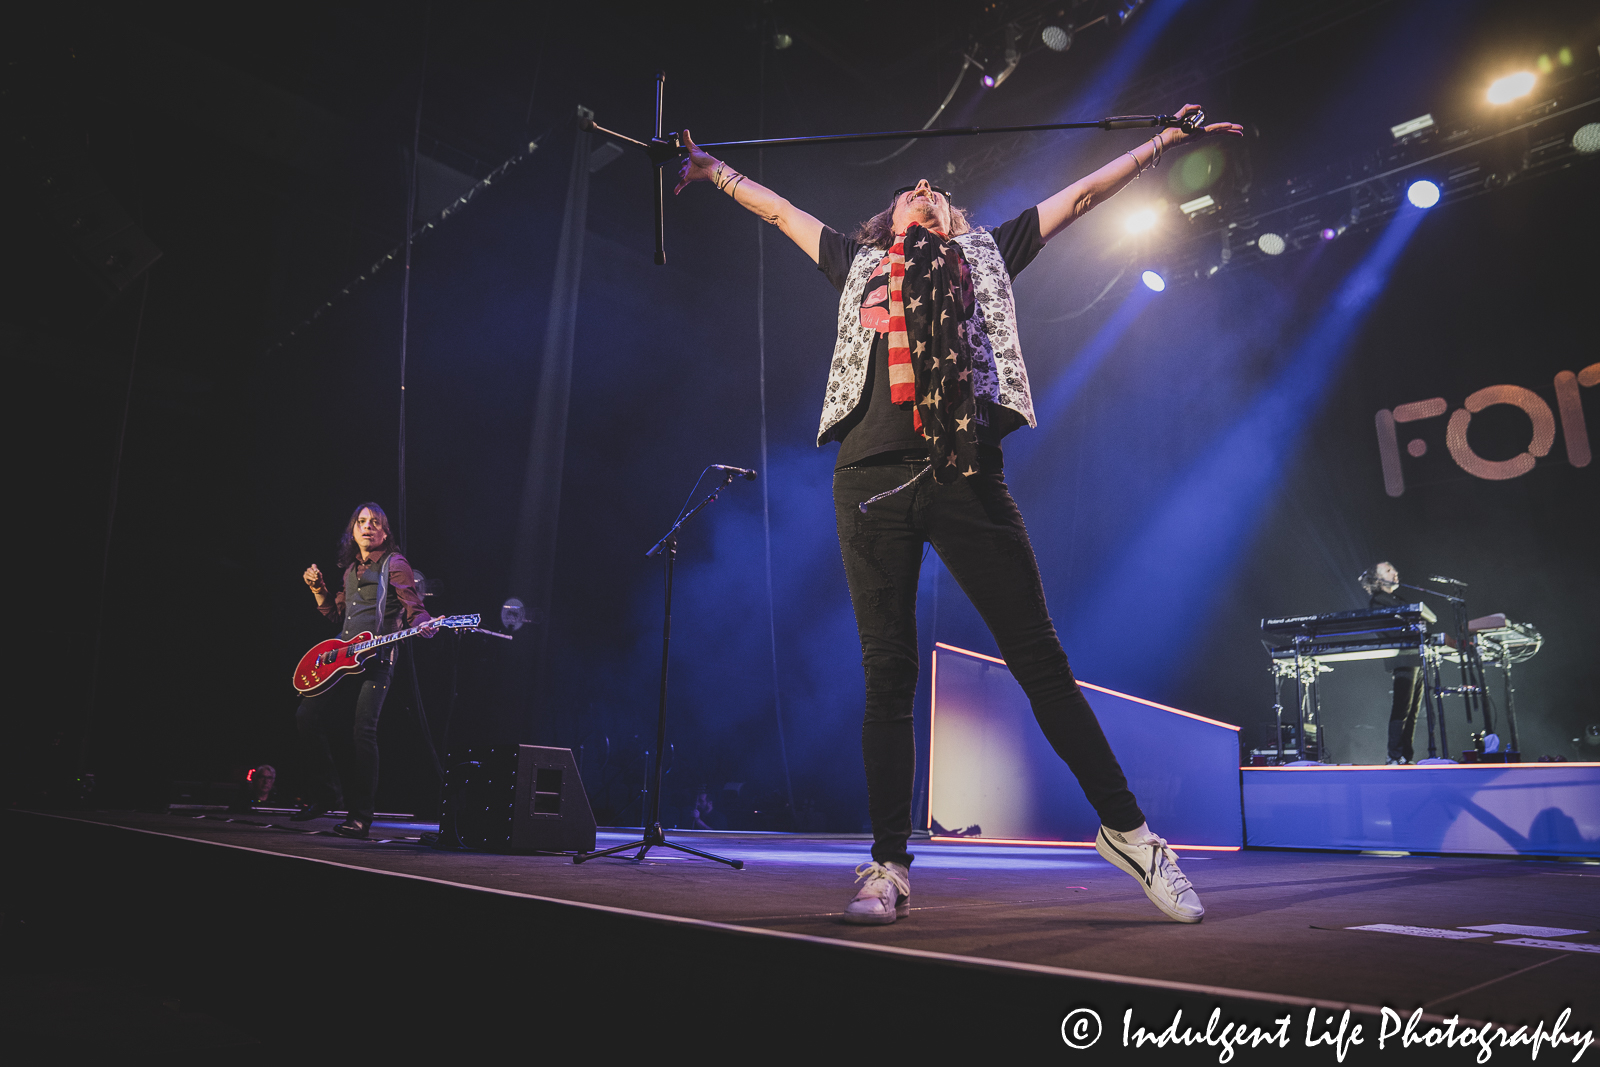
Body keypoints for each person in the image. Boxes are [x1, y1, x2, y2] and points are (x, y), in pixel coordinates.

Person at [675, 104, 1241, 925]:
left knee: (1041, 661)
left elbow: (1081, 195)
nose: (925, 189)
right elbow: (782, 210)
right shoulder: (859, 259)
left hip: (963, 472)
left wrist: (1162, 143)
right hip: (868, 479)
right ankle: (886, 865)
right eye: (912, 190)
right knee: (887, 675)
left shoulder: (987, 254)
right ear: (891, 217)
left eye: (937, 192)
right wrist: (714, 171)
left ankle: (1130, 833)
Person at [295, 503, 437, 838]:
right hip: (344, 657)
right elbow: (336, 617)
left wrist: (425, 623)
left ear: (385, 532)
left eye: (375, 523)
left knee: (364, 732)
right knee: (306, 715)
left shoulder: (395, 563)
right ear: (353, 530)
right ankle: (327, 791)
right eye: (361, 522)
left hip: (378, 656)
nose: (367, 527)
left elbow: (413, 607)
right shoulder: (349, 570)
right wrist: (318, 590)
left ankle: (360, 817)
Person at [1359, 561, 1423, 764]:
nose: (1395, 572)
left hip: (1414, 656)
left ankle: (1406, 755)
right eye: (1388, 570)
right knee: (1402, 708)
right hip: (1401, 657)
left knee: (1413, 710)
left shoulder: (1396, 598)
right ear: (1377, 579)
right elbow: (1387, 630)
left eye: (1394, 569)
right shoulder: (1378, 601)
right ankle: (1394, 755)